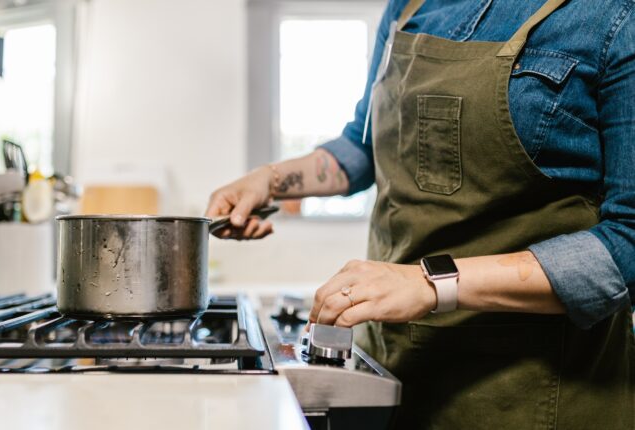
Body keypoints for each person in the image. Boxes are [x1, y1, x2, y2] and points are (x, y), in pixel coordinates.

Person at [205, 0, 635, 428]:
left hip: (531, 394)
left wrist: (431, 283)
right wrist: (272, 179)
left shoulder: (613, 17)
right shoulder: (410, 7)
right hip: (394, 368)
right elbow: (362, 144)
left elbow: (626, 246)